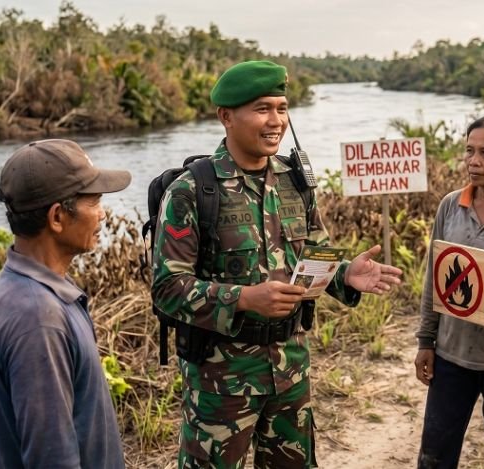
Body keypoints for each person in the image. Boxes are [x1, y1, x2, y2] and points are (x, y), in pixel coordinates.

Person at [151, 60, 403, 468]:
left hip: (290, 369)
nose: (276, 121)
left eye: (282, 108)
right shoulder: (193, 190)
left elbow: (313, 257)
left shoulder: (293, 181)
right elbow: (167, 289)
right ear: (226, 117)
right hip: (221, 382)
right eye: (263, 108)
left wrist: (345, 276)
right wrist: (246, 298)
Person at [0, 139, 131, 468]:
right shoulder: (38, 318)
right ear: (58, 217)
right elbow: (51, 457)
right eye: (95, 202)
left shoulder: (19, 285)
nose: (103, 214)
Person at [415, 114, 484, 469]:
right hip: (452, 357)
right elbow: (436, 279)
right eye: (469, 152)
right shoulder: (451, 205)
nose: (473, 162)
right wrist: (425, 342)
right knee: (435, 454)